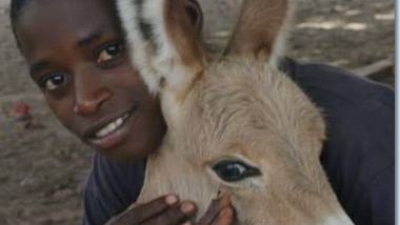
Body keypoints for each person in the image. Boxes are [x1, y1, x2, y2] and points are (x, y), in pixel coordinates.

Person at [9, 0, 394, 225]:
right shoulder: (125, 150)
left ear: (171, 28)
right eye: (54, 78)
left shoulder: (371, 142)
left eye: (110, 52)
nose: (86, 100)